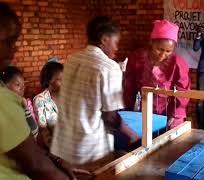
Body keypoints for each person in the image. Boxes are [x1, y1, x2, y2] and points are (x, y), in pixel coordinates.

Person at [0, 2, 90, 180]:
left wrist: (55, 160)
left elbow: (28, 149)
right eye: (9, 41)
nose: (15, 48)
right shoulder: (16, 101)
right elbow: (37, 165)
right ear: (49, 82)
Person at [50, 16, 138, 166]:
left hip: (64, 144)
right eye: (116, 42)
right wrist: (132, 134)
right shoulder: (109, 67)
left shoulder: (72, 59)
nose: (117, 48)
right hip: (90, 149)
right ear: (104, 39)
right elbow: (110, 117)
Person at [123, 20, 191, 130]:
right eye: (159, 49)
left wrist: (175, 115)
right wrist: (127, 112)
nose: (163, 55)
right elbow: (129, 88)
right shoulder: (137, 59)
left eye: (168, 51)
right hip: (145, 110)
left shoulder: (178, 64)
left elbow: (182, 92)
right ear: (151, 43)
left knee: (167, 142)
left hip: (170, 114)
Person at [1, 66, 38, 137]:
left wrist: (26, 108)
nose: (22, 88)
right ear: (4, 86)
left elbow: (34, 131)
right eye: (17, 85)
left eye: (23, 85)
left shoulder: (24, 104)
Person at [33, 60, 63, 149]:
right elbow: (44, 131)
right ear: (50, 81)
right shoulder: (40, 100)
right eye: (60, 79)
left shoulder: (70, 96)